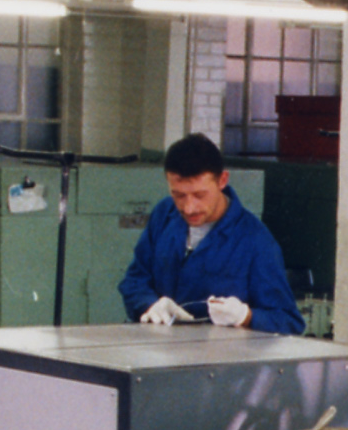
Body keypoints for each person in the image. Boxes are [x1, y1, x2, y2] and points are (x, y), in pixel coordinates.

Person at [119, 133, 303, 333]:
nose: (189, 208)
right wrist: (150, 305)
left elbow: (288, 322)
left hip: (217, 352)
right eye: (179, 195)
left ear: (222, 180)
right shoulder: (164, 214)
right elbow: (135, 280)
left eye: (200, 195)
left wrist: (246, 316)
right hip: (159, 347)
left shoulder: (255, 241)